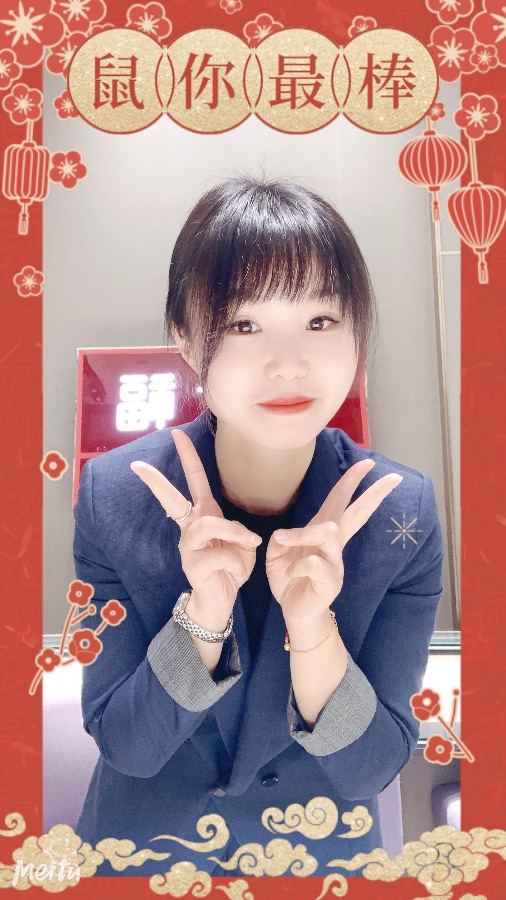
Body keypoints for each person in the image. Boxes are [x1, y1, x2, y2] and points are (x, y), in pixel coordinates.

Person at [72, 176, 444, 878]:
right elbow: (128, 747)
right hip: (145, 865)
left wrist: (313, 630)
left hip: (316, 865)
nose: (289, 363)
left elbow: (371, 769)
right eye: (244, 324)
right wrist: (203, 619)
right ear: (186, 337)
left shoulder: (399, 511)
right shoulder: (117, 497)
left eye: (321, 320)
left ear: (358, 333)